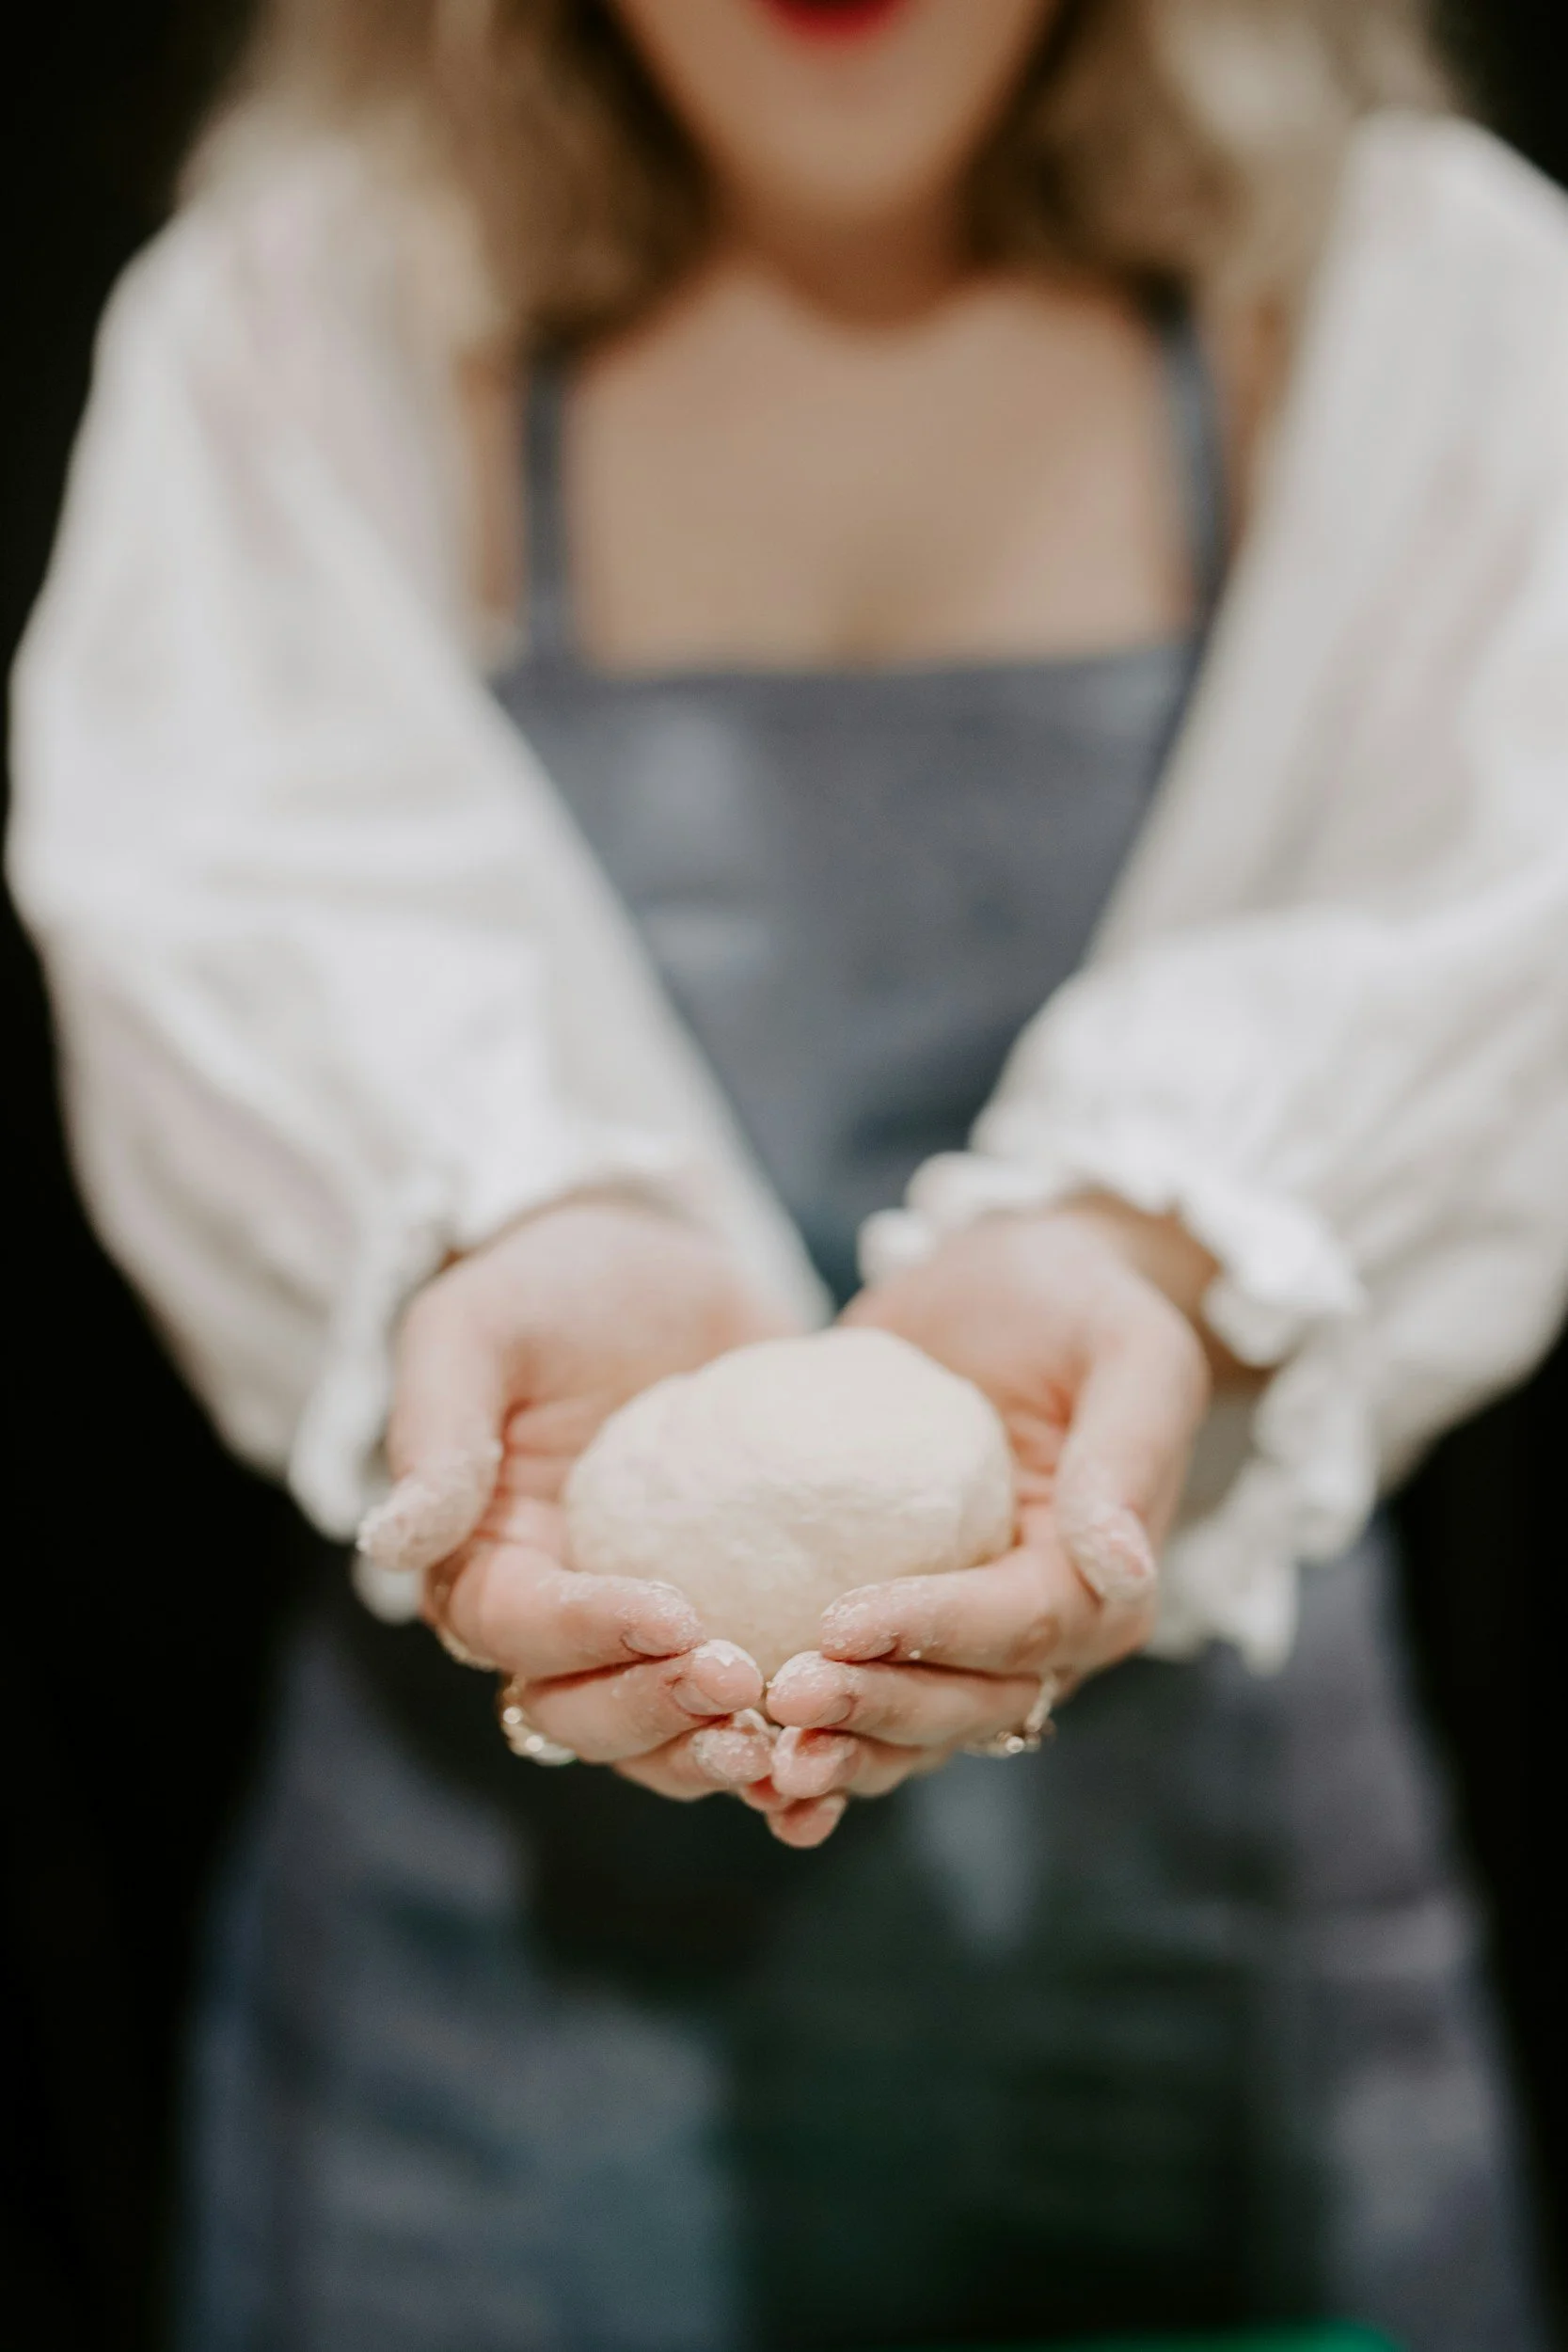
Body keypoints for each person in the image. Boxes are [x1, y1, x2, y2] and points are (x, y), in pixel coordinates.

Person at [10, 0, 1568, 2344]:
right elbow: (233, 913)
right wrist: (522, 1223)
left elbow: (1504, 904)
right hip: (485, 2065)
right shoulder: (309, 321)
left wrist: (1132, 1243)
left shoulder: (1406, 307)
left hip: (1208, 1981)